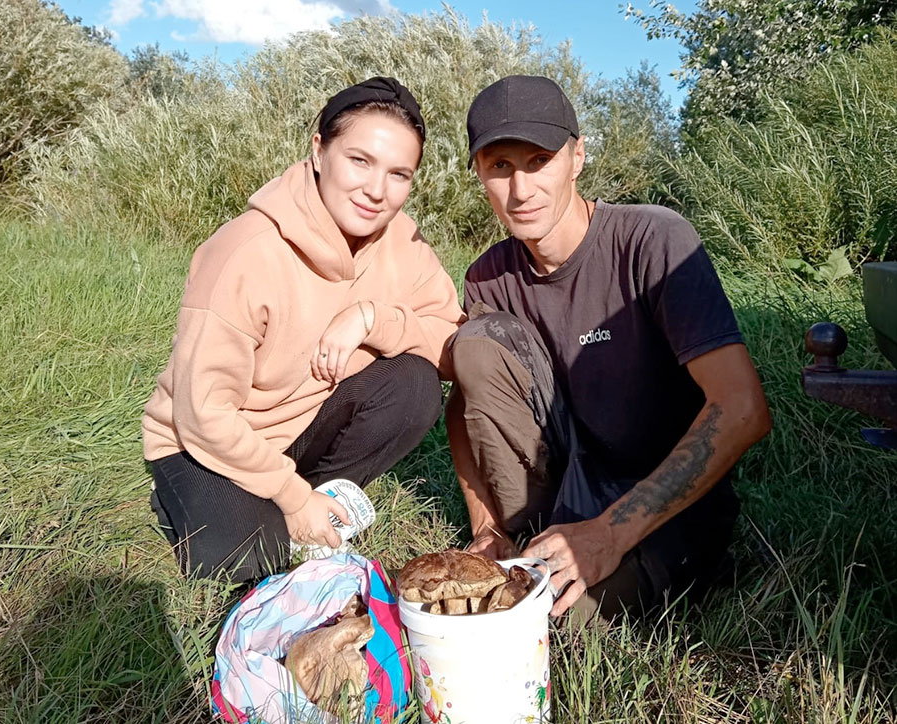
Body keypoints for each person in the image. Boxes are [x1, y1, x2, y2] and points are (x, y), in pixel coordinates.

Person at [446, 75, 772, 622]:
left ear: (577, 157)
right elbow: (462, 407)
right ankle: (529, 532)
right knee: (474, 344)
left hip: (663, 503)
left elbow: (742, 409)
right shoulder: (487, 276)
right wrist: (488, 528)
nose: (521, 190)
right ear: (480, 173)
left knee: (553, 626)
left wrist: (608, 533)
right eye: (500, 166)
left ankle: (637, 560)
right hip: (563, 480)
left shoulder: (653, 240)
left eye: (539, 160)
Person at [143, 77, 464, 583]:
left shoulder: (403, 241)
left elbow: (450, 346)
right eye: (359, 160)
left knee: (416, 385)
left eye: (399, 174)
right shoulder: (247, 252)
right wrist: (292, 499)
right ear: (319, 151)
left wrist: (370, 319)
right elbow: (203, 411)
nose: (377, 191)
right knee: (248, 558)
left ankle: (310, 498)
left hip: (300, 425)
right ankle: (208, 500)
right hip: (207, 440)